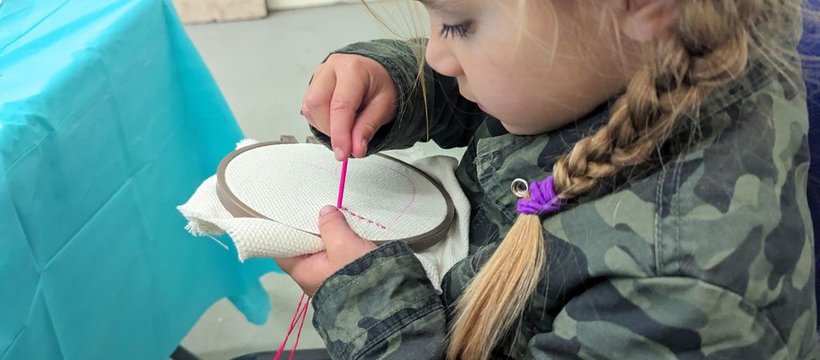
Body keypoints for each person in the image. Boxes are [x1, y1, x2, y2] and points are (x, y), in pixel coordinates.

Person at [276, 0, 817, 358]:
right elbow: (543, 74)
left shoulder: (676, 296)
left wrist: (372, 314)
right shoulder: (672, 46)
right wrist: (398, 81)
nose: (438, 55)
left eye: (459, 25)